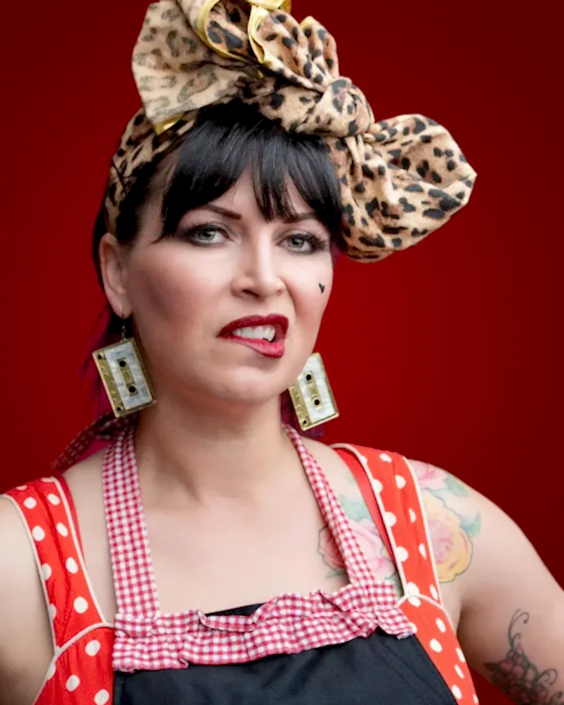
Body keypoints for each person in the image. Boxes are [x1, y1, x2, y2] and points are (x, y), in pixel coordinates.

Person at [0, 1, 562, 704]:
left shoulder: (430, 521)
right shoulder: (20, 565)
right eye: (209, 232)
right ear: (118, 273)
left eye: (299, 240)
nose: (264, 280)